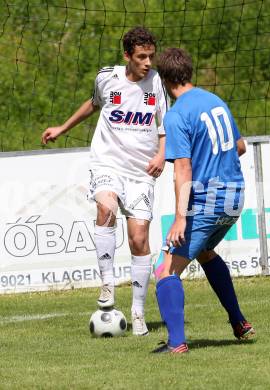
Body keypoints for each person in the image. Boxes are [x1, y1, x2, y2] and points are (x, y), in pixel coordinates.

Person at [41, 27, 169, 336]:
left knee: (139, 238)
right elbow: (93, 103)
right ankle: (108, 283)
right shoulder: (107, 78)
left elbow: (164, 127)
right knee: (106, 208)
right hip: (107, 163)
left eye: (151, 56)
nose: (148, 62)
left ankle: (138, 312)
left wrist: (162, 155)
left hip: (141, 172)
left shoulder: (157, 84)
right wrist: (63, 128)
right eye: (141, 57)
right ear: (127, 56)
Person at [153, 48, 255, 353]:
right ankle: (239, 322)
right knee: (206, 252)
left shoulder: (177, 115)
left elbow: (182, 169)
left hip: (208, 201)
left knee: (165, 271)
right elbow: (240, 146)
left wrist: (180, 218)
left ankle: (176, 344)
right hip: (235, 197)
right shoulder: (215, 102)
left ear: (164, 79)